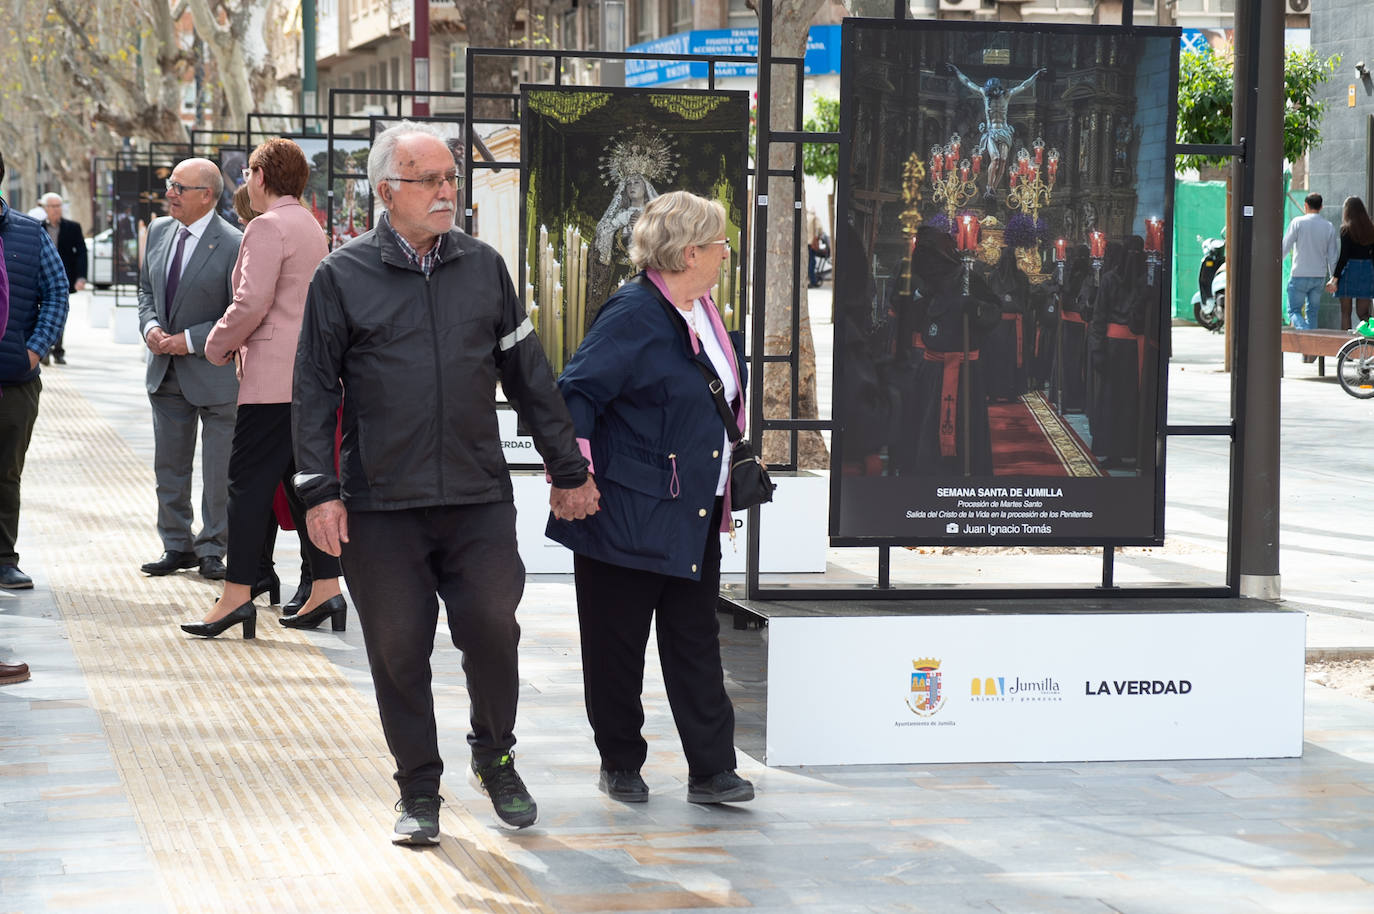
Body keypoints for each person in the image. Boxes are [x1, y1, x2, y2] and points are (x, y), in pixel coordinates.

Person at [292, 121, 599, 842]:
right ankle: (418, 790)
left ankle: (494, 754)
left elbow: (530, 377)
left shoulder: (484, 267)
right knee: (398, 649)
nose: (446, 191)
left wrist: (568, 467)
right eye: (429, 179)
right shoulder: (341, 276)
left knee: (493, 628)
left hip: (475, 496)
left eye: (451, 178)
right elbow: (313, 392)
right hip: (380, 504)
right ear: (386, 190)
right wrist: (318, 489)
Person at [545, 190, 756, 807]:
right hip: (628, 513)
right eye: (720, 243)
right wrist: (573, 476)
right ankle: (620, 762)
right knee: (616, 647)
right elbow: (576, 392)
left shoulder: (701, 308)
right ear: (690, 252)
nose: (726, 252)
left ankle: (712, 769)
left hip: (689, 512)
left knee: (695, 643)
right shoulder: (635, 312)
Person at [178, 139, 342, 639]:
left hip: (272, 378)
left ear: (262, 177)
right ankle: (328, 588)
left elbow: (250, 303)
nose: (245, 179)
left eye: (249, 171)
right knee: (302, 486)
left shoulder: (266, 226)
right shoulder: (309, 225)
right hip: (308, 377)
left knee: (245, 487)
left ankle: (236, 595)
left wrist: (215, 345)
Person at [136, 158, 243, 581]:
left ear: (208, 196)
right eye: (170, 184)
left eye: (180, 187)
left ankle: (213, 548)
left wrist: (189, 340)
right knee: (170, 466)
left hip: (213, 373)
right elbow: (146, 289)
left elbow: (237, 312)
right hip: (164, 371)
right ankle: (176, 545)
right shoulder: (159, 231)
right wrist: (150, 327)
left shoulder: (234, 242)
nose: (170, 193)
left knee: (218, 471)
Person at [0, 152, 71, 592]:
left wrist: (34, 350)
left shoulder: (29, 232)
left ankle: (4, 558)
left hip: (14, 381)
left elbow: (56, 292)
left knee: (6, 473)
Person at [949, 63, 1047, 197]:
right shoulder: (985, 94)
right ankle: (989, 186)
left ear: (998, 89)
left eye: (993, 91)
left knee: (1003, 161)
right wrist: (956, 71)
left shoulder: (1006, 95)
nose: (991, 94)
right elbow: (968, 82)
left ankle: (993, 189)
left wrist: (1035, 76)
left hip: (1004, 132)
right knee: (995, 159)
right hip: (991, 133)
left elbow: (1023, 85)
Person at [38, 192, 87, 365]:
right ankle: (43, 349)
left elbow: (81, 252)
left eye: (58, 206)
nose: (56, 210)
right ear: (45, 208)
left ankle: (58, 351)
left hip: (63, 280)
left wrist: (81, 277)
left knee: (59, 314)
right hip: (41, 280)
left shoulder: (73, 227)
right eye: (52, 206)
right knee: (41, 314)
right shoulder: (37, 227)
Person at [1282, 192, 1339, 331]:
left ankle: (1305, 334)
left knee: (1294, 311)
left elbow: (1284, 247)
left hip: (1299, 275)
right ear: (1321, 207)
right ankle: (1310, 351)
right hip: (1319, 276)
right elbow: (1333, 256)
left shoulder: (1297, 223)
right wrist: (1333, 278)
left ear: (1305, 205)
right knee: (1312, 313)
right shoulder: (1328, 226)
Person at [1326, 196, 1374, 330]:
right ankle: (1371, 339)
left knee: (1345, 313)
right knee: (1363, 313)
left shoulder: (1346, 229)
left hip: (1350, 270)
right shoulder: (1371, 228)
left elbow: (1344, 256)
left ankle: (1345, 344)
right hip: (1367, 270)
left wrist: (1335, 279)